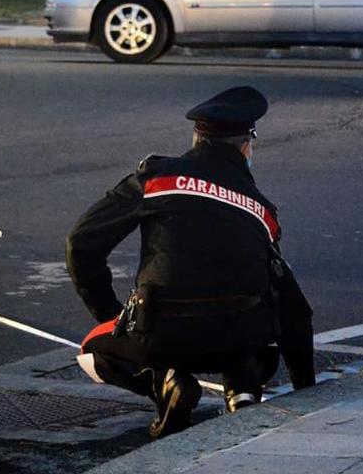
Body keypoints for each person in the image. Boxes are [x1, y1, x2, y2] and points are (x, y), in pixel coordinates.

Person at [66, 86, 315, 438]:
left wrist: (110, 314)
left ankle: (166, 383)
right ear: (246, 145)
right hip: (239, 341)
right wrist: (308, 389)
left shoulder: (155, 179)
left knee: (93, 350)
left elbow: (81, 243)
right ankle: (242, 392)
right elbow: (293, 307)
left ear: (197, 137)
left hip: (162, 336)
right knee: (246, 309)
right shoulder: (261, 210)